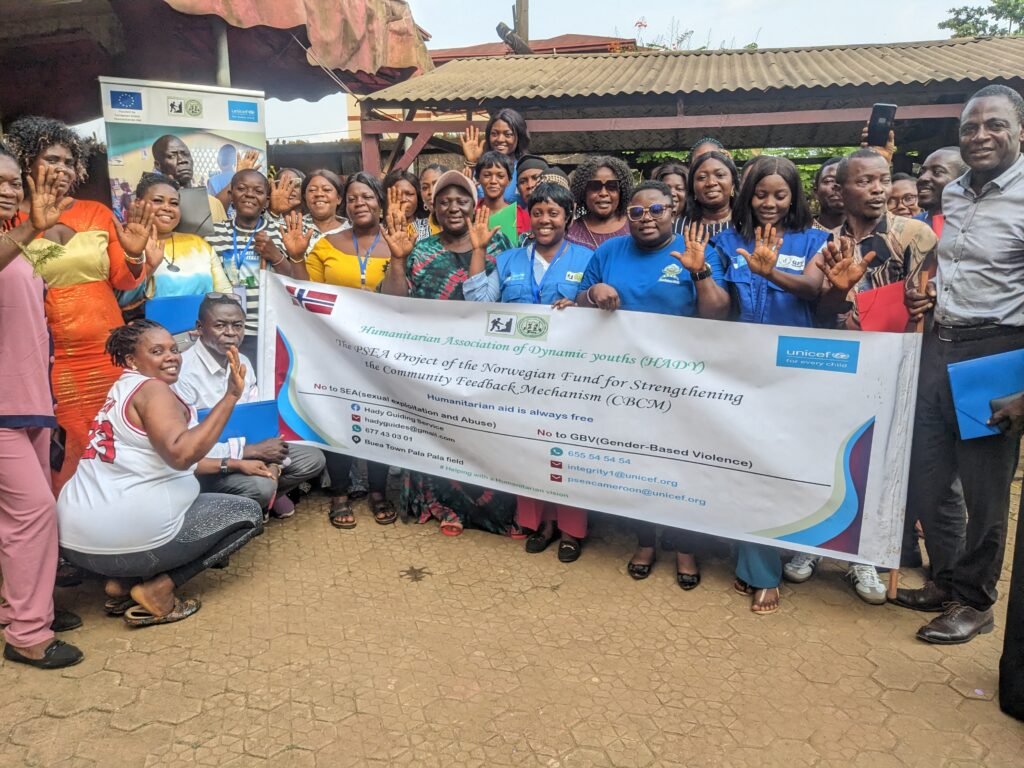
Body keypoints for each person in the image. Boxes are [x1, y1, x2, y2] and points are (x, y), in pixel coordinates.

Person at [899, 84, 1024, 644]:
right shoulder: (954, 193)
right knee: (930, 476)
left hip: (996, 354)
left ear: (1020, 132)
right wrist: (926, 292)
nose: (980, 136)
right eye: (970, 127)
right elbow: (953, 262)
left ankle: (975, 602)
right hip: (939, 343)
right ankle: (946, 580)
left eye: (995, 125)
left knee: (984, 492)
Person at [57, 320, 263, 627]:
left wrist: (233, 462)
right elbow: (182, 455)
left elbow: (168, 456)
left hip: (77, 544)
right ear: (132, 359)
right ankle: (159, 591)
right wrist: (231, 396)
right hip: (122, 544)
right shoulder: (153, 391)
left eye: (174, 349)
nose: (172, 357)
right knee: (247, 512)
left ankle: (121, 584)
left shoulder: (122, 388)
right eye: (157, 351)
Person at [575, 181, 730, 586]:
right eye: (637, 212)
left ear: (672, 211)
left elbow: (717, 314)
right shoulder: (609, 252)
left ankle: (685, 548)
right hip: (624, 384)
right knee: (636, 465)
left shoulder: (696, 249)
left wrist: (700, 273)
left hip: (682, 383)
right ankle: (645, 541)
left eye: (656, 210)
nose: (646, 218)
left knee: (682, 468)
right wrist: (593, 292)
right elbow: (577, 300)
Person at [708, 156, 830, 613]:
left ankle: (766, 555)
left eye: (780, 195)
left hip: (795, 373)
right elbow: (718, 307)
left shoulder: (815, 239)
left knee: (780, 467)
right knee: (746, 464)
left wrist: (770, 272)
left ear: (794, 198)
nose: (770, 203)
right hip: (742, 370)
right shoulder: (726, 242)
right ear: (747, 196)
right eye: (761, 194)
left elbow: (814, 289)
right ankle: (760, 568)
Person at [6, 116, 151, 492]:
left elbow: (123, 280)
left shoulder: (96, 212)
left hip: (108, 349)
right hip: (50, 355)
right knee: (67, 441)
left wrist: (135, 256)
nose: (63, 169)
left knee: (115, 429)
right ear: (26, 162)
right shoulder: (11, 219)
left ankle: (121, 509)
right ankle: (69, 517)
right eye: (52, 160)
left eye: (69, 162)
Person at [380, 170, 520, 536]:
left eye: (461, 201)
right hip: (432, 365)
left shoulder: (499, 244)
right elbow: (392, 302)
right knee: (438, 437)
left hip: (487, 366)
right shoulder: (419, 249)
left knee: (483, 438)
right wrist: (398, 259)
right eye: (444, 202)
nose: (453, 208)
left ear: (474, 205)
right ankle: (445, 506)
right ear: (433, 208)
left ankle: (491, 512)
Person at [464, 182, 594, 560]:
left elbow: (601, 308)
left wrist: (582, 304)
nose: (544, 220)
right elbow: (479, 302)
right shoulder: (508, 260)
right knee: (527, 448)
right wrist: (478, 250)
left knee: (566, 451)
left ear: (568, 217)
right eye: (537, 213)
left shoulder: (588, 258)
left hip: (569, 377)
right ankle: (542, 524)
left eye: (553, 213)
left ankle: (571, 530)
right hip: (518, 377)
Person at [0, 150, 84, 669]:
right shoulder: (18, 238)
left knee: (18, 517)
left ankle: (22, 608)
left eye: (14, 182)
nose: (9, 190)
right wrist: (32, 227)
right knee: (33, 513)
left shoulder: (15, 239)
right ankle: (28, 633)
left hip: (27, 404)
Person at [286, 173, 396, 529]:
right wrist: (296, 257)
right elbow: (305, 294)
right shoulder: (326, 244)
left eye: (367, 196)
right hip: (334, 349)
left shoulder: (397, 241)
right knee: (339, 419)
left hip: (382, 352)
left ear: (380, 202)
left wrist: (398, 259)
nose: (360, 203)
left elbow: (404, 297)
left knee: (378, 419)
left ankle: (378, 491)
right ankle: (340, 492)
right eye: (352, 198)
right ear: (345, 206)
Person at [173, 294, 326, 519]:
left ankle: (265, 497)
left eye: (238, 325)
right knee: (261, 487)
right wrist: (250, 452)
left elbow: (257, 421)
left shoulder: (242, 361)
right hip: (209, 464)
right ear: (200, 328)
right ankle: (230, 507)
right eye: (220, 325)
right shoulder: (182, 374)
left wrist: (272, 461)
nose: (230, 333)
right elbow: (188, 451)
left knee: (313, 459)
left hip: (249, 448)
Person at [204, 169, 294, 367]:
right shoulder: (212, 234)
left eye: (258, 191)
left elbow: (296, 281)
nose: (250, 195)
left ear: (267, 200)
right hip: (223, 330)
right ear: (231, 195)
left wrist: (276, 256)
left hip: (267, 328)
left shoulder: (281, 233)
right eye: (242, 188)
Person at [135, 173, 231, 299]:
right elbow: (124, 300)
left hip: (206, 312)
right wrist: (149, 268)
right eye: (158, 200)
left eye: (174, 203)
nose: (167, 208)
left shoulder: (200, 245)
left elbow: (225, 293)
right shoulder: (131, 247)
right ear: (138, 203)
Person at [150, 134, 227, 232]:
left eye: (186, 154)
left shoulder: (213, 203)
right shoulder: (152, 207)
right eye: (172, 156)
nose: (182, 160)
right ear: (158, 165)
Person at [460, 108, 531, 205]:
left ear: (519, 136)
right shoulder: (480, 169)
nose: (500, 139)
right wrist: (471, 162)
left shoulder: (525, 170)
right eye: (494, 134)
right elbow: (464, 199)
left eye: (508, 134)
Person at [280, 168, 349, 261]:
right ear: (305, 197)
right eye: (312, 190)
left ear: (339, 198)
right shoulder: (290, 226)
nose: (319, 194)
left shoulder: (351, 230)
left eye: (327, 190)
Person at [566, 156, 634, 249]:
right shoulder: (568, 233)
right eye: (595, 186)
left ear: (622, 191)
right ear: (583, 191)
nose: (603, 193)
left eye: (612, 186)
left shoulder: (636, 227)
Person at [680, 150, 738, 239]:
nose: (711, 182)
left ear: (733, 183)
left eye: (720, 175)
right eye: (702, 177)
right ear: (692, 186)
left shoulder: (747, 223)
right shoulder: (678, 227)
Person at [915, 147, 968, 233]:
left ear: (963, 181)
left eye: (937, 172)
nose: (923, 178)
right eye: (922, 172)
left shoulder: (979, 225)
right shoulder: (911, 227)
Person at [475, 151, 520, 245]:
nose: (493, 181)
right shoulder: (471, 211)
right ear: (478, 178)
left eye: (500, 176)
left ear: (509, 180)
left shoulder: (519, 215)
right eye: (487, 175)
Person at [383, 169, 430, 241]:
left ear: (418, 197)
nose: (403, 199)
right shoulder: (380, 232)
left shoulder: (430, 227)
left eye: (409, 194)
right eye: (397, 194)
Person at [515, 155, 549, 240]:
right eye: (523, 181)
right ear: (518, 189)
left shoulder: (564, 216)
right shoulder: (512, 218)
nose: (530, 185)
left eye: (536, 178)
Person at [650, 162, 688, 232]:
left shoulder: (696, 225)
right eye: (666, 188)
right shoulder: (647, 222)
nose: (672, 193)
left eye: (679, 189)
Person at [812, 157, 844, 231]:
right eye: (828, 181)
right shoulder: (798, 234)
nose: (837, 185)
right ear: (816, 192)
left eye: (843, 180)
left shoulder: (868, 233)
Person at [418, 163, 447, 235]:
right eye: (425, 187)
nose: (431, 191)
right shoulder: (413, 231)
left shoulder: (466, 226)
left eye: (436, 184)